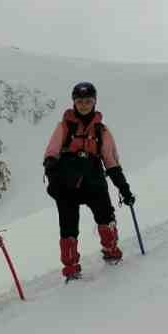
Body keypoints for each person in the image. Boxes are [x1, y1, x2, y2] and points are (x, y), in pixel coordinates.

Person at [42, 83, 135, 281]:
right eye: (80, 101)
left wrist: (124, 189)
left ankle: (111, 252)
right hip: (68, 184)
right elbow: (51, 152)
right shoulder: (64, 126)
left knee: (105, 218)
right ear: (74, 102)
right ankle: (71, 269)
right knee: (68, 227)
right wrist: (52, 171)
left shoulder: (101, 131)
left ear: (94, 102)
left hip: (92, 182)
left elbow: (111, 162)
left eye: (88, 101)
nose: (84, 105)